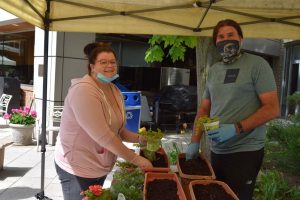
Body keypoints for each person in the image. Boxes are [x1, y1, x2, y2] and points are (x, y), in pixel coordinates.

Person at [186, 19, 280, 200]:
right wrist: (194, 141)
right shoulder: (214, 70)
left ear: (241, 39)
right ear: (216, 43)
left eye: (231, 35)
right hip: (218, 151)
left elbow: (272, 108)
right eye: (220, 37)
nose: (225, 40)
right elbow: (205, 108)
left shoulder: (257, 64)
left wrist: (236, 128)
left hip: (245, 150)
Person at [54, 42, 152, 200]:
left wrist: (140, 139)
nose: (109, 66)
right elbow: (104, 136)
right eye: (103, 62)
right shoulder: (83, 91)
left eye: (113, 62)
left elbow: (118, 130)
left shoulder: (113, 89)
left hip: (99, 165)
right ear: (92, 66)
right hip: (78, 166)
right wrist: (136, 159)